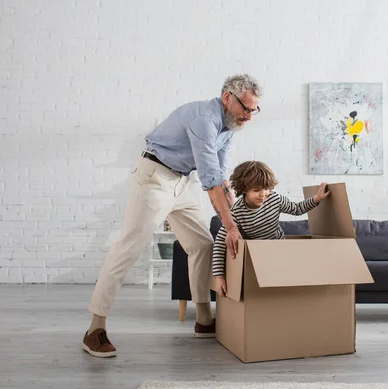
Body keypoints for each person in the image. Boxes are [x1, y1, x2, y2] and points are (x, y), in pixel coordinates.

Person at [83, 74, 262, 358]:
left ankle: (204, 320)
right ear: (228, 97)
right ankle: (95, 329)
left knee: (202, 244)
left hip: (181, 182)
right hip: (154, 177)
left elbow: (222, 178)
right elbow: (210, 180)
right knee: (128, 248)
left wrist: (237, 219)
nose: (249, 116)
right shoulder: (204, 119)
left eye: (254, 110)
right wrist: (229, 227)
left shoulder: (229, 127)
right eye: (246, 108)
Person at [212, 161, 330, 296]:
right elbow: (220, 244)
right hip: (256, 258)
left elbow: (297, 209)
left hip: (279, 250)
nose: (263, 194)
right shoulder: (236, 213)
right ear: (244, 189)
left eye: (266, 188)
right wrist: (219, 277)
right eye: (256, 190)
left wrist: (316, 198)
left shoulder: (275, 199)